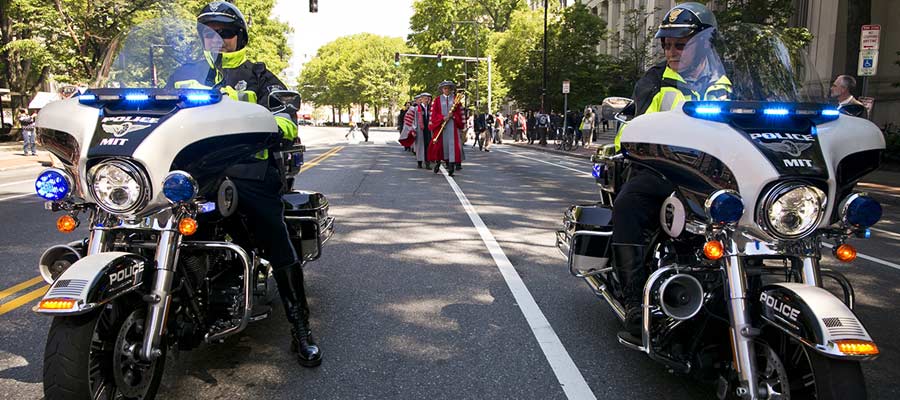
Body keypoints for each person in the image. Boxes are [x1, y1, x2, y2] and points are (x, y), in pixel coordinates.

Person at [170, 1, 321, 367]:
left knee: (275, 236)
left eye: (226, 32)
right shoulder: (184, 74)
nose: (218, 39)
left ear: (240, 36)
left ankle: (300, 327)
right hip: (196, 174)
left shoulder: (259, 75)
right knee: (160, 227)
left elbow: (287, 121)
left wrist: (258, 111)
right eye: (210, 32)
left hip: (247, 171)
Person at [610, 2, 730, 344]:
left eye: (680, 43)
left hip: (718, 175)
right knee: (628, 203)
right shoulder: (655, 80)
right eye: (666, 43)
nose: (671, 50)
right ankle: (634, 299)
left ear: (705, 42)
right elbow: (637, 129)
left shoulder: (729, 85)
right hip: (666, 170)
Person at [427, 81, 464, 176]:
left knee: (452, 147)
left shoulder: (456, 100)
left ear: (451, 89)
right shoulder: (437, 100)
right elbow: (433, 114)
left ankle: (451, 167)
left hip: (453, 126)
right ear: (442, 89)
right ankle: (438, 162)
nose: (446, 90)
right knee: (439, 147)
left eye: (448, 88)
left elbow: (460, 113)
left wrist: (453, 116)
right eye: (445, 88)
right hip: (440, 126)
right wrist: (443, 118)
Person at [413, 93, 433, 168]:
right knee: (420, 146)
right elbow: (414, 120)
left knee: (428, 146)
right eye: (425, 98)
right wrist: (414, 129)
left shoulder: (430, 108)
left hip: (428, 130)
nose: (426, 100)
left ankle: (427, 163)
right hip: (420, 129)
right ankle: (419, 162)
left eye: (427, 99)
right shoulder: (417, 108)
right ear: (421, 99)